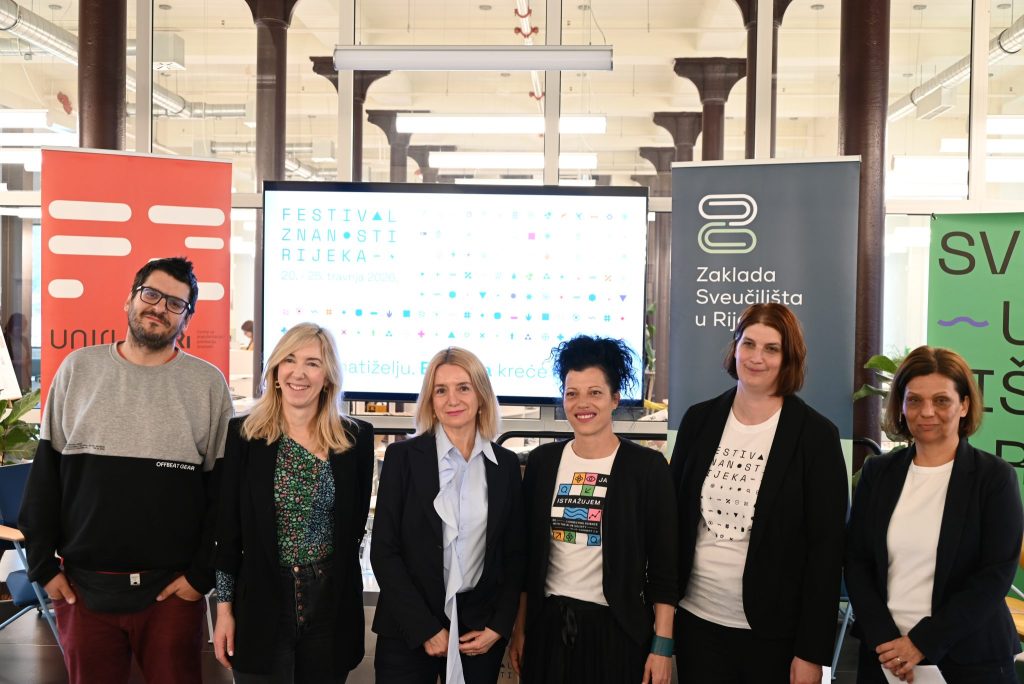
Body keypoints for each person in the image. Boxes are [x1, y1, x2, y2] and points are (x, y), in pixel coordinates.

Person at [18, 257, 234, 684]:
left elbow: (222, 495)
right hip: (83, 589)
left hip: (172, 593)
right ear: (130, 300)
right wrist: (42, 566)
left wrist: (200, 577)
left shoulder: (207, 384)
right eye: (151, 294)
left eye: (175, 303)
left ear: (187, 319)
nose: (159, 308)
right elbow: (45, 479)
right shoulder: (78, 370)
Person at [670, 302, 848, 684]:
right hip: (696, 622)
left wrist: (811, 652)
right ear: (734, 347)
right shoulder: (699, 421)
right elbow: (673, 523)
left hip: (774, 635)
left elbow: (826, 552)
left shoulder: (816, 437)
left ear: (788, 358)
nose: (756, 358)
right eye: (748, 343)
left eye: (771, 349)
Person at [845, 346, 1024, 684]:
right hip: (885, 655)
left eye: (941, 400)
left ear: (964, 405)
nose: (926, 412)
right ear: (901, 406)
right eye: (914, 400)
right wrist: (887, 641)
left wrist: (921, 642)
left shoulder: (994, 477)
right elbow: (857, 561)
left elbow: (995, 573)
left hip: (970, 659)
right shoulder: (878, 473)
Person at [212, 322, 374, 683]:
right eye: (289, 359)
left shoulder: (356, 439)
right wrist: (224, 612)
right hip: (260, 602)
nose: (298, 373)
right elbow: (227, 533)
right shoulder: (244, 435)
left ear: (328, 377)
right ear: (275, 370)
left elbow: (353, 530)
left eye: (312, 363)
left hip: (330, 603)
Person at [510, 335, 677, 684]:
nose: (582, 403)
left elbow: (665, 565)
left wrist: (662, 646)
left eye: (595, 392)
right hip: (547, 629)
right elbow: (526, 559)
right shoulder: (542, 462)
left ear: (615, 399)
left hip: (617, 633)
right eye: (572, 393)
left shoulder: (646, 468)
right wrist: (520, 629)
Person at [371, 347, 524, 684]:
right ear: (431, 400)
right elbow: (383, 551)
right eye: (441, 390)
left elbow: (514, 556)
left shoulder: (506, 466)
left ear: (481, 396)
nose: (452, 399)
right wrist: (424, 628)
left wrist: (499, 626)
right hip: (407, 628)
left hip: (478, 632)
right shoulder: (401, 457)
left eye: (463, 388)